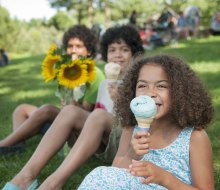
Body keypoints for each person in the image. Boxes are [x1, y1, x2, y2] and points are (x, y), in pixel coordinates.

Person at [2, 25, 144, 190]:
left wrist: (123, 100)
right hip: (105, 141)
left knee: (97, 115)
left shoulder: (141, 79)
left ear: (134, 52)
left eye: (124, 49)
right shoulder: (106, 82)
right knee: (70, 111)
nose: (117, 55)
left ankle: (53, 184)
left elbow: (144, 120)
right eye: (112, 50)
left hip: (129, 146)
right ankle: (24, 178)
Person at [78, 54, 214, 190]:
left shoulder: (194, 137)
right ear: (132, 92)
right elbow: (115, 175)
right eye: (142, 86)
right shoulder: (131, 129)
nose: (150, 93)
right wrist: (132, 154)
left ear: (179, 92)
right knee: (100, 173)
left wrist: (164, 178)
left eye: (161, 86)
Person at [0, 24, 105, 156]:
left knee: (47, 109)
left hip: (80, 128)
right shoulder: (67, 69)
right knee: (22, 109)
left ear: (88, 51)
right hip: (63, 119)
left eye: (78, 47)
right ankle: (17, 144)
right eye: (70, 46)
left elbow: (84, 113)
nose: (73, 50)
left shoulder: (94, 74)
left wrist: (71, 96)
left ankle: (4, 144)